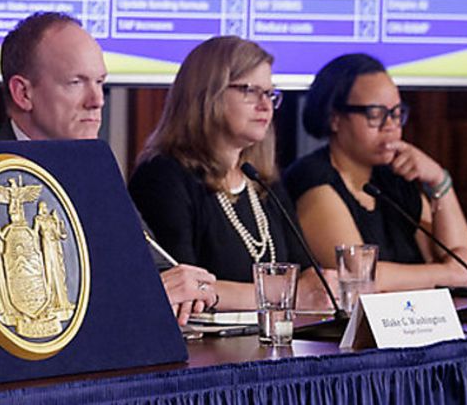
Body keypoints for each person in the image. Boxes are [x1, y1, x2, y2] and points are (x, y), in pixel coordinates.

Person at [0, 11, 219, 324]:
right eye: (76, 82)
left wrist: (181, 289)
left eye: (100, 82)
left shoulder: (96, 168)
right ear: (24, 93)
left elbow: (150, 265)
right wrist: (139, 295)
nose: (97, 100)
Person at [128, 36, 334, 311]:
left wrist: (322, 285)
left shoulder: (260, 180)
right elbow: (184, 287)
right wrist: (286, 294)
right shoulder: (163, 176)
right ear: (207, 93)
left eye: (270, 94)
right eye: (250, 91)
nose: (265, 105)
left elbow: (306, 272)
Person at [283, 53, 467, 291]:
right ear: (335, 118)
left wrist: (438, 180)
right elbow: (358, 275)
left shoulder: (395, 176)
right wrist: (448, 273)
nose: (390, 125)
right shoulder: (312, 178)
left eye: (396, 113)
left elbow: (464, 264)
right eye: (375, 114)